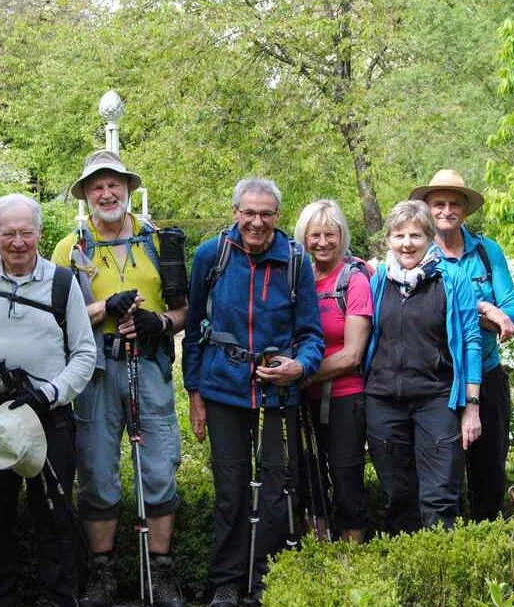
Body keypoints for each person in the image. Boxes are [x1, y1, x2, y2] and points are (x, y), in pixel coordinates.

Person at [0, 193, 97, 607]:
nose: (18, 242)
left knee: (55, 514)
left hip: (49, 412)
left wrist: (50, 393)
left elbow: (84, 354)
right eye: (8, 234)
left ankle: (60, 599)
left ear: (39, 233)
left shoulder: (62, 283)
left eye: (26, 232)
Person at [51, 150, 187, 607]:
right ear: (86, 194)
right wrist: (101, 310)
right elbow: (59, 318)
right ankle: (103, 577)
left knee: (160, 467)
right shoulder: (70, 249)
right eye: (96, 187)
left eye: (114, 185)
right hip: (95, 368)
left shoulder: (157, 241)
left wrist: (160, 323)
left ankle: (161, 575)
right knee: (96, 471)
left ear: (128, 189)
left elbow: (186, 310)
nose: (106, 194)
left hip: (147, 363)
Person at [183, 178, 324, 607]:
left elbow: (311, 335)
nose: (257, 222)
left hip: (279, 394)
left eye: (266, 214)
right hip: (223, 389)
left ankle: (266, 577)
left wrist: (299, 367)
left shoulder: (295, 260)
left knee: (279, 488)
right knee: (231, 488)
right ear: (235, 212)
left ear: (278, 217)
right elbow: (193, 332)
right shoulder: (212, 255)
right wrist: (194, 394)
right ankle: (226, 581)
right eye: (249, 212)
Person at [363, 199, 482, 534]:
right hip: (384, 400)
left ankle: (440, 575)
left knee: (440, 495)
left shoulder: (452, 279)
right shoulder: (378, 281)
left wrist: (471, 407)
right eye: (399, 235)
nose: (407, 243)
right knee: (398, 495)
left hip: (437, 400)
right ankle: (404, 574)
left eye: (415, 235)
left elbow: (471, 341)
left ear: (430, 238)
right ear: (388, 239)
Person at [410, 169, 514, 522]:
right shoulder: (417, 252)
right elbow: (429, 312)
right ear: (426, 208)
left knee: (488, 473)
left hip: (486, 375)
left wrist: (476, 313)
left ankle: (487, 547)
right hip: (438, 382)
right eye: (438, 203)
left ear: (465, 210)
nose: (446, 210)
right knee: (442, 480)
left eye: (454, 204)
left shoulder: (487, 252)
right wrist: (484, 309)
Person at [292, 199, 373, 543]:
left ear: (342, 236)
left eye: (330, 234)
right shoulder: (298, 278)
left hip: (345, 398)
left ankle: (352, 560)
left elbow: (352, 354)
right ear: (303, 238)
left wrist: (301, 374)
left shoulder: (354, 280)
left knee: (346, 480)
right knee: (308, 480)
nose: (322, 242)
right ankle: (322, 556)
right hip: (300, 399)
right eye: (315, 235)